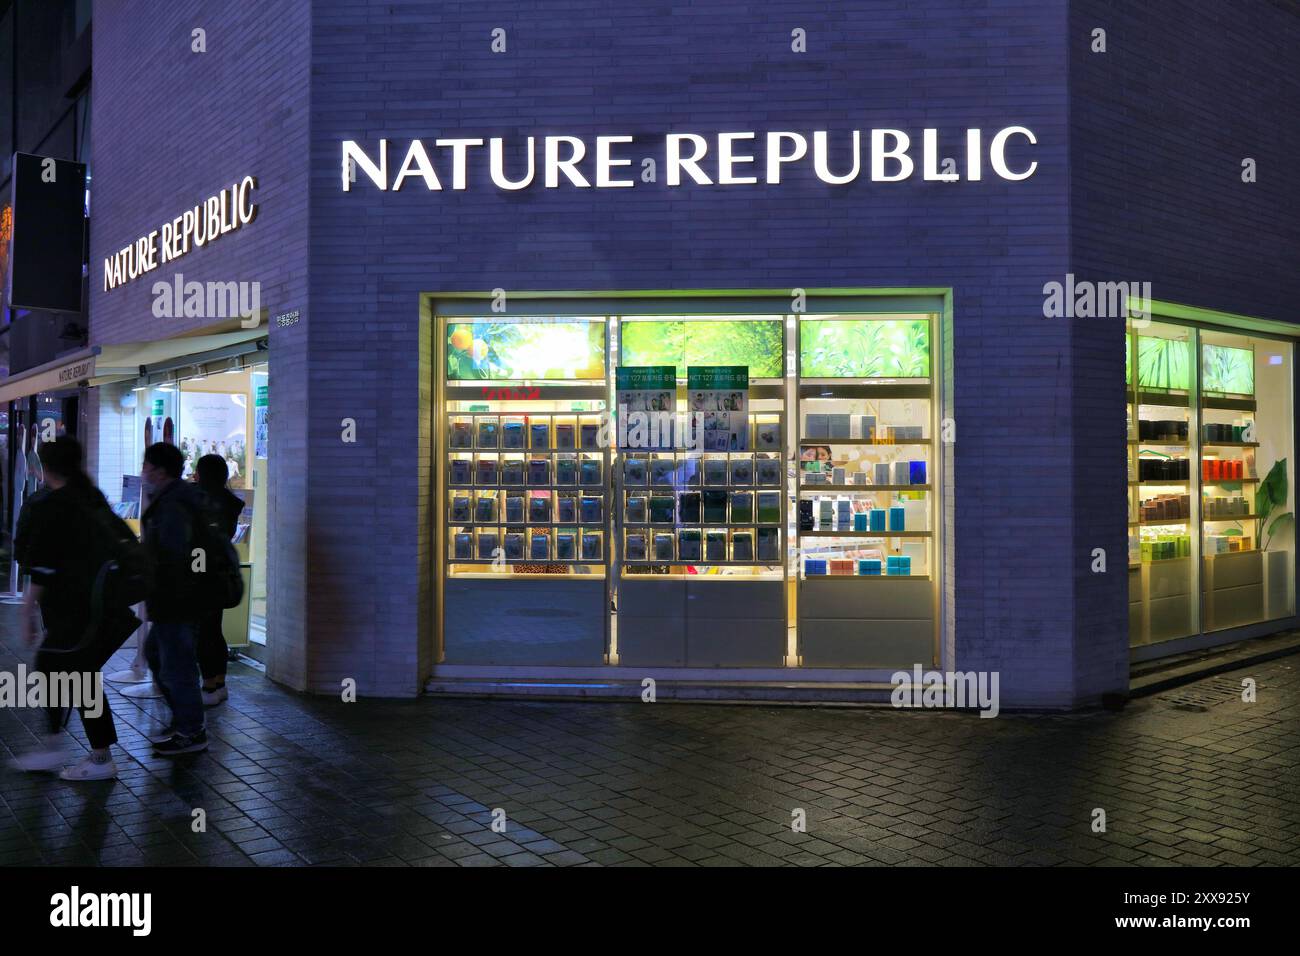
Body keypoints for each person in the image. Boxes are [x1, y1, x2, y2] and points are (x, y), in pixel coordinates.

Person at [10, 437, 142, 781]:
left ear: (46, 468)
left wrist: (26, 615)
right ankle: (82, 752)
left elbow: (44, 566)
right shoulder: (90, 496)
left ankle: (79, 753)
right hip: (101, 607)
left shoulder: (57, 504)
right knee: (76, 673)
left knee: (56, 665)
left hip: (81, 610)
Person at [140, 442, 211, 755]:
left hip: (177, 598)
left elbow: (173, 554)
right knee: (157, 655)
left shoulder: (174, 503)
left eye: (147, 466)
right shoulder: (175, 497)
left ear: (158, 470)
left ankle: (191, 731)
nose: (143, 473)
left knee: (176, 664)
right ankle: (185, 721)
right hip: (179, 597)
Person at [194, 453, 243, 706]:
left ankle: (209, 684)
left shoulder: (202, 502)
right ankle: (220, 683)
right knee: (214, 629)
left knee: (205, 632)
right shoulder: (230, 503)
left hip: (202, 574)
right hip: (221, 573)